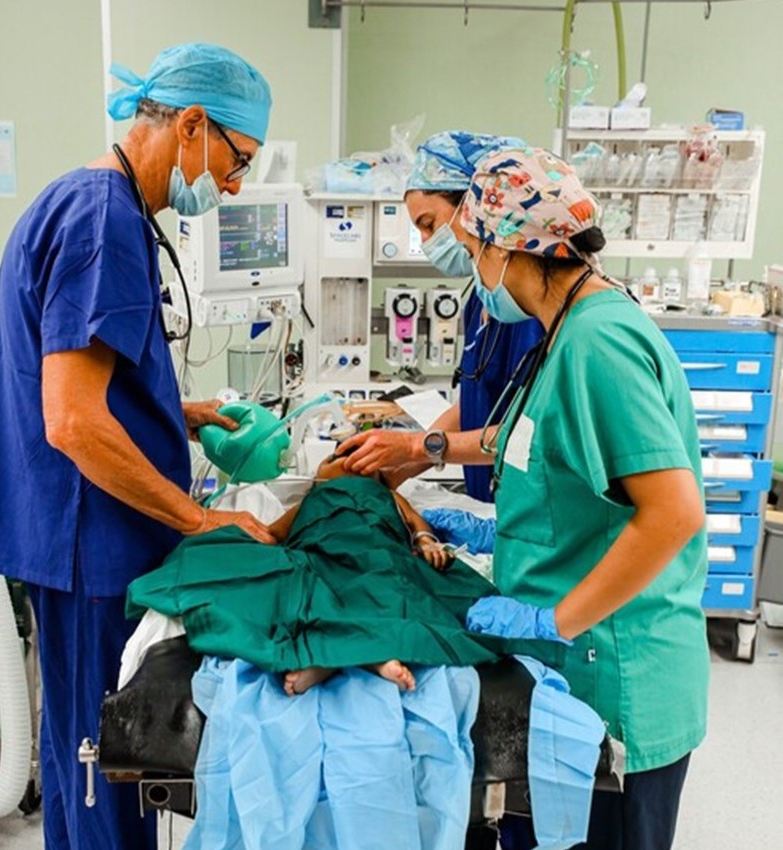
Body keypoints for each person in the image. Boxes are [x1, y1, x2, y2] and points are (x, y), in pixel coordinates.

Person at [0, 43, 276, 850]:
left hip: (82, 541)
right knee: (105, 767)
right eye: (238, 160)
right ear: (194, 124)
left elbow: (93, 378)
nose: (234, 186)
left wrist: (178, 411)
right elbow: (72, 421)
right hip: (89, 548)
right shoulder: (103, 220)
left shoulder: (95, 204)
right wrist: (200, 521)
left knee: (85, 753)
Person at [380, 145, 709, 850]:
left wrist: (556, 618)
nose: (475, 269)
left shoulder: (600, 342)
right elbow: (544, 449)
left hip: (614, 674)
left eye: (474, 249)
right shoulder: (564, 333)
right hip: (572, 670)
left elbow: (675, 512)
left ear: (509, 248)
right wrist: (489, 526)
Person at [126, 448, 504, 696]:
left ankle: (345, 656)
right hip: (324, 549)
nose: (350, 461)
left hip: (378, 548)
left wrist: (426, 540)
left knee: (389, 584)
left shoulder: (388, 495)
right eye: (339, 455)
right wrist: (226, 531)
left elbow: (415, 522)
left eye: (360, 457)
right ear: (319, 473)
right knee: (317, 588)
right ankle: (359, 655)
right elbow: (271, 535)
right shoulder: (315, 496)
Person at [345, 131, 544, 501]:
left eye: (428, 224)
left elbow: (533, 436)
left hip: (526, 506)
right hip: (489, 501)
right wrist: (399, 469)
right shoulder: (483, 298)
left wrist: (416, 446)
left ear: (475, 206)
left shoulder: (529, 312)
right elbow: (474, 403)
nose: (426, 242)